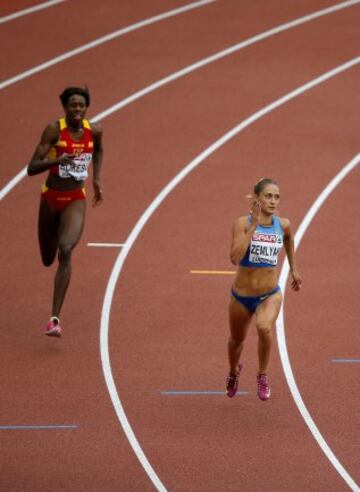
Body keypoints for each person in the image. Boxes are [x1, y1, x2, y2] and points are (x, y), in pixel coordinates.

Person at [27, 86, 104, 337]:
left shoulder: (95, 130)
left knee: (66, 250)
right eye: (73, 105)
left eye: (81, 105)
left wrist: (96, 179)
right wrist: (57, 161)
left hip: (75, 198)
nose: (77, 109)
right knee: (47, 258)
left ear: (86, 107)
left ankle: (54, 319)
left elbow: (99, 149)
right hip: (50, 198)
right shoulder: (54, 130)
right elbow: (31, 167)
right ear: (65, 107)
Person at [226, 178, 301, 400]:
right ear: (256, 198)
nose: (273, 200)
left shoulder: (283, 224)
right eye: (268, 196)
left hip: (269, 294)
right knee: (236, 341)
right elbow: (234, 257)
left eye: (276, 196)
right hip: (241, 297)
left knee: (264, 328)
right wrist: (254, 226)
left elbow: (288, 238)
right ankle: (233, 371)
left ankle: (262, 374)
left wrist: (294, 268)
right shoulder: (241, 223)